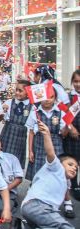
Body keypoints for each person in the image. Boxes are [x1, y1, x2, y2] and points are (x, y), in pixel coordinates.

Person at [21, 120, 77, 229]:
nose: (74, 168)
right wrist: (46, 133)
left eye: (75, 167)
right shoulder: (56, 168)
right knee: (65, 227)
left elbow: (65, 193)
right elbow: (50, 152)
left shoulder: (66, 182)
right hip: (37, 205)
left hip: (46, 211)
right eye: (70, 164)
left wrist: (68, 204)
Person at [25, 89, 67, 180]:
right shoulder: (35, 113)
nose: (47, 100)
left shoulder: (60, 113)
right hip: (39, 146)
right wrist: (30, 151)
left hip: (56, 146)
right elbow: (31, 133)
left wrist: (67, 126)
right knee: (39, 170)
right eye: (45, 97)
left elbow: (64, 133)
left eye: (51, 97)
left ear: (55, 99)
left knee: (54, 169)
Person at [0, 135, 23, 223]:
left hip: (9, 192)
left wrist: (5, 189)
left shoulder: (11, 158)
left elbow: (18, 178)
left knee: (1, 209)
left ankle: (13, 219)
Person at [0, 80, 33, 168]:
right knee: (4, 156)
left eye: (20, 91)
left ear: (28, 93)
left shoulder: (31, 106)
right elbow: (0, 118)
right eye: (16, 90)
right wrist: (2, 111)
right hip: (7, 132)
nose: (17, 93)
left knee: (16, 159)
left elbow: (31, 125)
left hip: (21, 135)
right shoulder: (9, 102)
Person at [64, 69, 80, 200]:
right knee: (73, 160)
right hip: (72, 134)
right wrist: (71, 127)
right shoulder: (68, 97)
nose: (78, 84)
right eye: (76, 81)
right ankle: (73, 186)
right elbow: (64, 114)